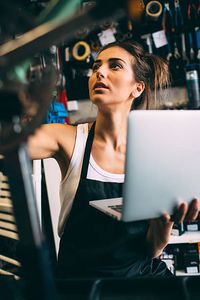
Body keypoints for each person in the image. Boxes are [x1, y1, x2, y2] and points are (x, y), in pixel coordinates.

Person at [28, 40, 200, 279]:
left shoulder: (155, 153)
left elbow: (152, 249)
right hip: (79, 283)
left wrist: (165, 227)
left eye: (115, 66)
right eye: (96, 66)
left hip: (140, 278)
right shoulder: (67, 139)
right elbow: (9, 144)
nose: (99, 71)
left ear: (137, 88)